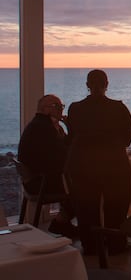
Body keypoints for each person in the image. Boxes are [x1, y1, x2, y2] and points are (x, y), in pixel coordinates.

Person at [65, 70, 131, 253]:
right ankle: (115, 244)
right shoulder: (119, 108)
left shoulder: (75, 108)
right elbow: (128, 136)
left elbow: (72, 136)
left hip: (83, 165)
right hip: (114, 165)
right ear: (107, 84)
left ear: (87, 85)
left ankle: (90, 245)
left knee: (86, 207)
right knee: (117, 206)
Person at [17, 94, 76, 237]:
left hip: (33, 180)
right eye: (58, 107)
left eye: (62, 106)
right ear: (47, 109)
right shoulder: (44, 129)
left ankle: (63, 222)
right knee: (83, 189)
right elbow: (61, 156)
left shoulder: (38, 125)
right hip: (41, 183)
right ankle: (60, 223)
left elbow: (60, 151)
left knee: (76, 183)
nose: (61, 110)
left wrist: (67, 129)